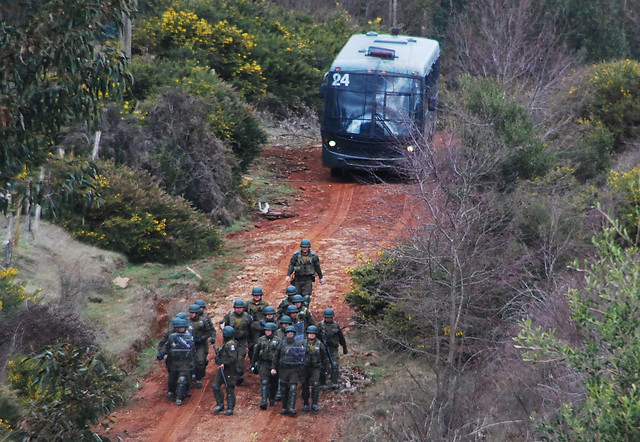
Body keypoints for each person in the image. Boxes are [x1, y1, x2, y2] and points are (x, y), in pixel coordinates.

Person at [158, 317, 194, 406]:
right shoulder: (172, 337)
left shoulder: (189, 337)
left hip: (184, 363)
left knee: (182, 380)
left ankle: (179, 397)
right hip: (174, 362)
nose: (181, 329)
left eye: (182, 327)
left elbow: (192, 350)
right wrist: (162, 353)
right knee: (172, 381)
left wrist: (192, 362)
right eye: (179, 327)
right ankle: (173, 392)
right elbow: (167, 346)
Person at [219, 299, 252, 385]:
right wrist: (223, 327)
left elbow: (251, 328)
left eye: (240, 308)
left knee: (240, 357)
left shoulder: (247, 317)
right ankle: (227, 373)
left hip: (242, 340)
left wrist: (250, 340)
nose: (239, 309)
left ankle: (239, 374)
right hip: (230, 340)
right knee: (229, 356)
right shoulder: (229, 315)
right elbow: (222, 323)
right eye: (237, 308)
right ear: (234, 308)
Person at [275, 326, 306, 416]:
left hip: (294, 370)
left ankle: (291, 407)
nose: (290, 334)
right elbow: (276, 356)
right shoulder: (282, 343)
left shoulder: (298, 344)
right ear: (286, 334)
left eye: (292, 333)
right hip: (284, 369)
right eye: (288, 333)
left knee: (293, 388)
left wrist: (293, 352)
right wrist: (274, 367)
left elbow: (301, 356)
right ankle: (284, 407)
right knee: (284, 389)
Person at [249, 322, 281, 409]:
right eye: (266, 330)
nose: (267, 332)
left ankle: (272, 398)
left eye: (269, 331)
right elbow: (256, 352)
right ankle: (263, 401)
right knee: (264, 382)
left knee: (274, 384)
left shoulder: (278, 341)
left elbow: (279, 354)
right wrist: (252, 363)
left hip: (274, 365)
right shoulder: (261, 340)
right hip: (263, 364)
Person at [285, 239, 324, 306]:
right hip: (297, 279)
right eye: (303, 247)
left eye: (306, 247)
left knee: (306, 297)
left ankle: (305, 311)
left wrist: (321, 277)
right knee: (296, 296)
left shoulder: (313, 256)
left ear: (309, 247)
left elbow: (317, 267)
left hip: (307, 279)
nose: (305, 249)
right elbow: (291, 265)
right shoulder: (296, 255)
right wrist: (288, 275)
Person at [301, 325, 329, 413]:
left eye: (313, 334)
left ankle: (314, 403)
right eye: (310, 333)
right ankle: (306, 403)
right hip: (305, 368)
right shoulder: (302, 343)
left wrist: (327, 368)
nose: (312, 335)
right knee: (304, 385)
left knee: (316, 385)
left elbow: (325, 357)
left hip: (316, 368)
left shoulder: (320, 344)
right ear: (307, 334)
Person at [318, 308, 348, 390]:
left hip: (333, 348)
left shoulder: (336, 325)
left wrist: (344, 347)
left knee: (334, 365)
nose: (328, 319)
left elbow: (341, 337)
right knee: (323, 365)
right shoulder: (320, 325)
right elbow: (316, 337)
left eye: (330, 317)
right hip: (323, 349)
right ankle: (322, 383)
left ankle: (334, 382)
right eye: (327, 317)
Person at [212, 326, 238, 415]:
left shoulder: (231, 344)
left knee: (229, 388)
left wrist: (225, 364)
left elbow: (233, 358)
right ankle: (220, 404)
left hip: (229, 369)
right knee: (215, 386)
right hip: (222, 369)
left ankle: (230, 407)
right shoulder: (225, 343)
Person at [188, 303, 214, 388]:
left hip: (200, 344)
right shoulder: (187, 322)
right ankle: (191, 377)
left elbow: (209, 331)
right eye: (190, 313)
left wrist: (202, 338)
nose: (191, 314)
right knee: (190, 362)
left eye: (193, 313)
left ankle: (199, 378)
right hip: (189, 345)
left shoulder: (203, 321)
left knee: (200, 362)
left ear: (196, 313)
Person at [246, 287, 270, 359]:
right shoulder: (248, 303)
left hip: (261, 327)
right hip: (251, 327)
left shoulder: (265, 304)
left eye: (258, 295)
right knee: (251, 344)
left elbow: (269, 315)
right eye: (255, 295)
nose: (257, 297)